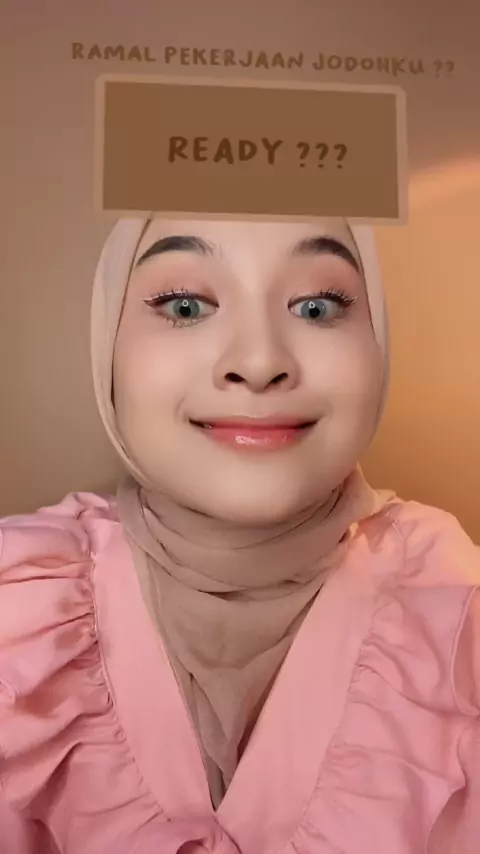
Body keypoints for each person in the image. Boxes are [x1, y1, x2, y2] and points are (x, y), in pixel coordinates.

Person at [0, 216, 478, 854]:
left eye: (316, 306)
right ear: (107, 344)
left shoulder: (455, 617)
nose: (258, 363)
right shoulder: (19, 603)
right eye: (185, 306)